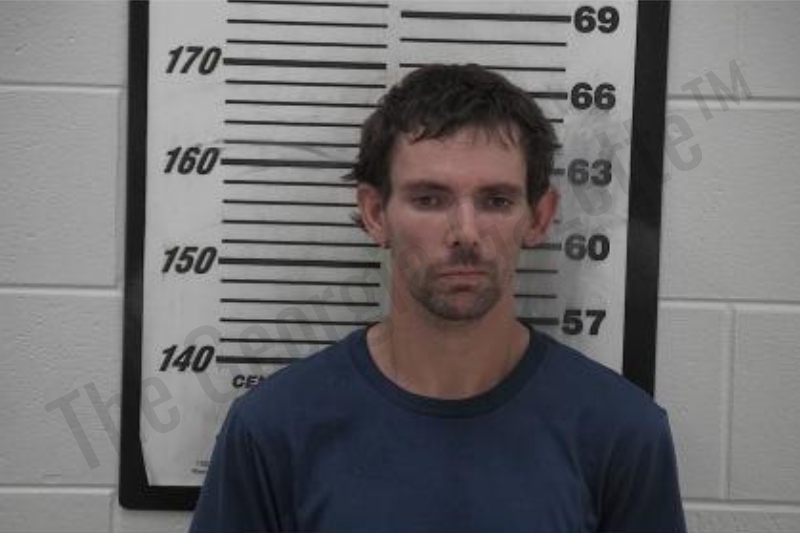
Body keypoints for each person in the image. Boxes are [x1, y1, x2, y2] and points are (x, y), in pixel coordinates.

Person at [190, 64, 686, 533]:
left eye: (496, 200)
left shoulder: (623, 434)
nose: (465, 232)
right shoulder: (272, 430)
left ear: (538, 217)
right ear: (375, 213)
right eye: (429, 199)